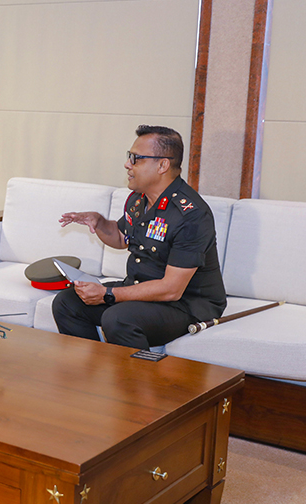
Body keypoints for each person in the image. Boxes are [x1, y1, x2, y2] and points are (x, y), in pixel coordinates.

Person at [51, 125, 226, 350]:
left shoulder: (191, 215)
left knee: (118, 318)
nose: (127, 164)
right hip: (141, 289)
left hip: (185, 304)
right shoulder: (139, 200)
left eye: (136, 158)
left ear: (162, 165)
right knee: (67, 303)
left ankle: (136, 382)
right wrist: (100, 222)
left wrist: (107, 294)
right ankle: (91, 372)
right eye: (129, 157)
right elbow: (122, 237)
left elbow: (172, 289)